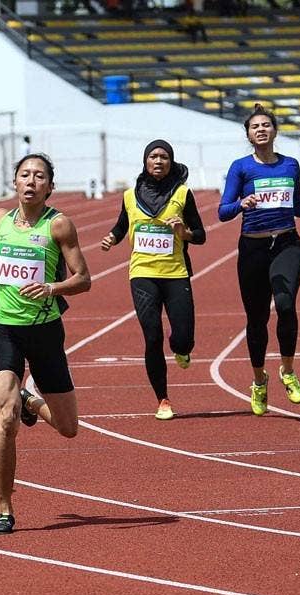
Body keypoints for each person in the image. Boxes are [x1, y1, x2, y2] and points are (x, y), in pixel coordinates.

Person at [0, 144, 91, 535]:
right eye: (25, 175)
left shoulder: (58, 225)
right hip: (6, 330)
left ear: (49, 187)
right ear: (14, 182)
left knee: (68, 428)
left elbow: (83, 279)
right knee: (5, 419)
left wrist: (53, 287)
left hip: (45, 334)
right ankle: (4, 507)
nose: (31, 181)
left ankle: (30, 400)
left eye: (39, 176)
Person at [218, 103, 300, 416]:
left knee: (286, 304)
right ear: (249, 135)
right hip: (252, 249)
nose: (261, 129)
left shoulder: (291, 164)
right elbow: (223, 212)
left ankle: (288, 371)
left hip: (287, 243)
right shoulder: (241, 167)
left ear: (275, 131)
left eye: (267, 125)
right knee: (256, 319)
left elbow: (295, 204)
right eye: (256, 126)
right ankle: (258, 379)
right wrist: (242, 203)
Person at [100, 140, 206, 420]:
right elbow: (123, 225)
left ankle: (181, 350)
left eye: (164, 157)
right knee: (152, 336)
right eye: (153, 156)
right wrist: (112, 237)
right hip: (142, 274)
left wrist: (184, 234)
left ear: (171, 162)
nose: (158, 161)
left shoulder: (183, 194)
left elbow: (201, 235)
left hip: (175, 274)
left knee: (183, 339)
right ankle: (163, 399)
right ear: (145, 161)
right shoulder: (129, 195)